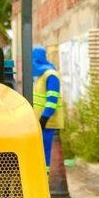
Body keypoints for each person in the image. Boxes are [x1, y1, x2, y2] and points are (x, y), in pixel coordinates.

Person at [31, 46, 64, 175]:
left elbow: (52, 98)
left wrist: (45, 116)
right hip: (41, 122)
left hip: (47, 122)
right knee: (40, 153)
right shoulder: (42, 75)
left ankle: (44, 182)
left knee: (44, 153)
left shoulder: (51, 75)